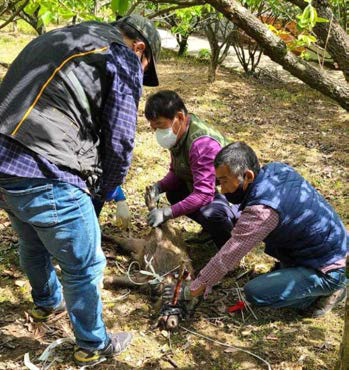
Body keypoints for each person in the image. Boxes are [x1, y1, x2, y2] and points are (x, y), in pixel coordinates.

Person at [0, 15, 161, 366]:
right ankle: (92, 344)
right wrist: (103, 192)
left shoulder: (64, 37)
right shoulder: (121, 54)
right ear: (140, 48)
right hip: (47, 166)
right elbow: (119, 140)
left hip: (5, 163)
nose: (140, 69)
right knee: (85, 265)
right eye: (144, 64)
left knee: (32, 242)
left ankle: (47, 304)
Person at [178, 142, 348, 317]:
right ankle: (297, 275)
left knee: (255, 292)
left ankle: (328, 292)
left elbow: (228, 256)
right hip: (332, 245)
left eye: (224, 181)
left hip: (329, 267)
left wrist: (196, 287)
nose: (222, 189)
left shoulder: (262, 211)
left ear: (248, 176)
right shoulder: (276, 169)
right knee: (275, 279)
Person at [144, 90, 239, 248]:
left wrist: (167, 212)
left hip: (232, 193)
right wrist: (159, 186)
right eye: (153, 127)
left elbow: (204, 194)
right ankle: (211, 231)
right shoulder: (180, 133)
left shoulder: (201, 145)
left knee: (210, 214)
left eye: (159, 125)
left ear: (179, 117)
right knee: (174, 192)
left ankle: (228, 246)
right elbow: (178, 172)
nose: (157, 131)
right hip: (213, 186)